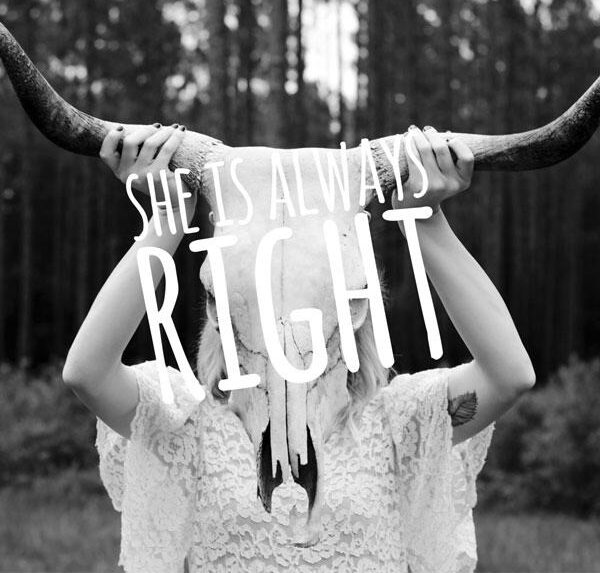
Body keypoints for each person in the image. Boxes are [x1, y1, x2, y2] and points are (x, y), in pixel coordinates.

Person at [63, 123, 535, 573]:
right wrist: (166, 220)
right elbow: (88, 373)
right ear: (220, 307)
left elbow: (509, 376)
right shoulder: (189, 425)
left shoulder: (396, 425)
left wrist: (426, 219)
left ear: (356, 305)